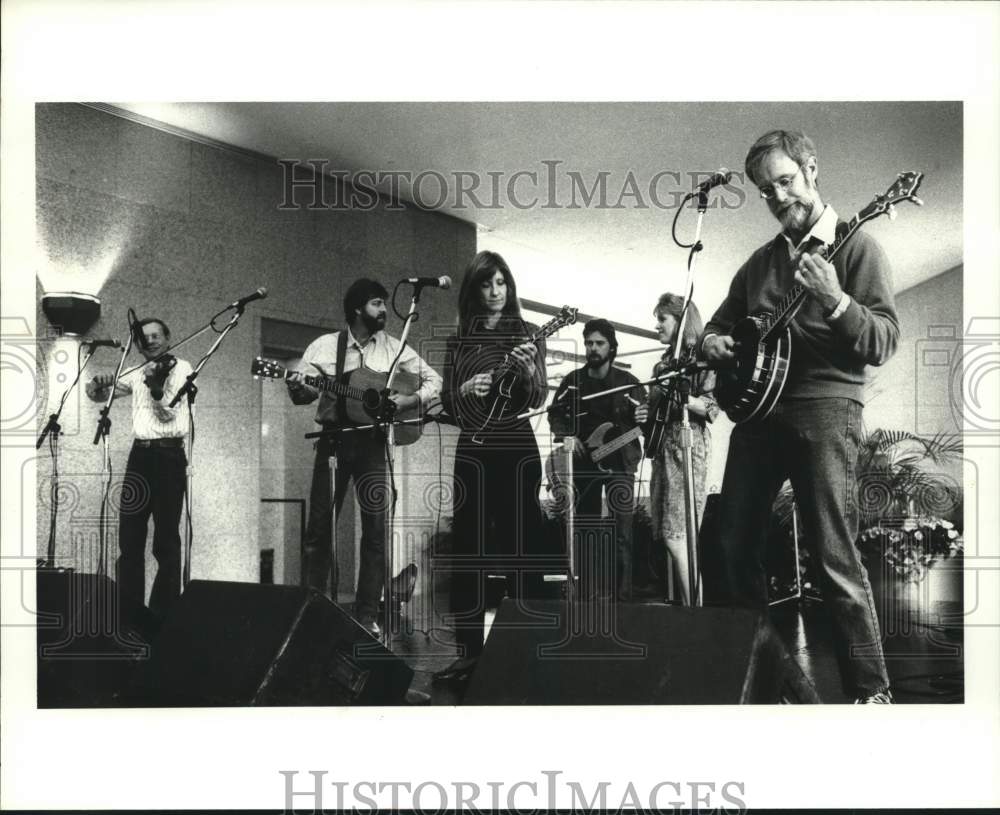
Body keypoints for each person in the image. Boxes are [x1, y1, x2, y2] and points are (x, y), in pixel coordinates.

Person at [701, 130, 899, 703]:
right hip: (758, 416)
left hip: (826, 408)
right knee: (732, 546)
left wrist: (837, 301)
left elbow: (883, 340)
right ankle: (772, 680)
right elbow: (716, 326)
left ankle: (871, 692)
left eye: (785, 181)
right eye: (766, 190)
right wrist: (713, 342)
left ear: (812, 169)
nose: (778, 196)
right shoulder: (759, 264)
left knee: (834, 554)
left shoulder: (857, 245)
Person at [286, 278, 442, 637]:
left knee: (376, 531)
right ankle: (310, 610)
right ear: (357, 309)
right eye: (376, 304)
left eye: (384, 304)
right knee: (319, 530)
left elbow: (434, 381)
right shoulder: (325, 347)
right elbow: (305, 396)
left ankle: (367, 614)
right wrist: (298, 385)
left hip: (374, 444)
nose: (384, 310)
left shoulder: (394, 348)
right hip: (334, 443)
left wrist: (408, 400)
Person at [435, 250, 558, 682]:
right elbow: (448, 405)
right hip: (473, 450)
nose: (495, 292)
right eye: (487, 284)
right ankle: (469, 653)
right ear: (474, 289)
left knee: (521, 549)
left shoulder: (526, 334)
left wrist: (529, 373)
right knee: (468, 550)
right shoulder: (459, 340)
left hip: (515, 447)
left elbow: (538, 397)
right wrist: (466, 387)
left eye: (501, 283)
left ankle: (526, 648)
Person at [86, 318, 192, 624]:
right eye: (145, 338)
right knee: (130, 537)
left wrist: (156, 389)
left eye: (156, 335)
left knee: (166, 540)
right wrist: (98, 384)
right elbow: (97, 396)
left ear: (168, 338)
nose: (151, 342)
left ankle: (161, 616)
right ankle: (129, 615)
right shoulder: (135, 373)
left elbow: (169, 414)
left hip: (169, 456)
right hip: (140, 456)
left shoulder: (181, 369)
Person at [549, 318, 646, 601]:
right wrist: (566, 435)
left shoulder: (629, 384)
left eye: (599, 343)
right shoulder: (573, 381)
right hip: (583, 464)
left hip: (621, 463)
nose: (593, 348)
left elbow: (645, 421)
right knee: (585, 531)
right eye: (589, 343)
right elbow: (555, 412)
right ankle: (586, 597)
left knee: (622, 534)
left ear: (612, 347)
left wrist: (646, 418)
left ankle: (622, 599)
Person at [646, 294, 718, 605]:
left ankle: (697, 612)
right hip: (663, 448)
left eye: (662, 319)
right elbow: (654, 411)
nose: (656, 325)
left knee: (680, 536)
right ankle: (689, 610)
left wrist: (679, 399)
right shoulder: (662, 364)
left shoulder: (702, 360)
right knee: (669, 534)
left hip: (688, 445)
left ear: (680, 321)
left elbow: (712, 409)